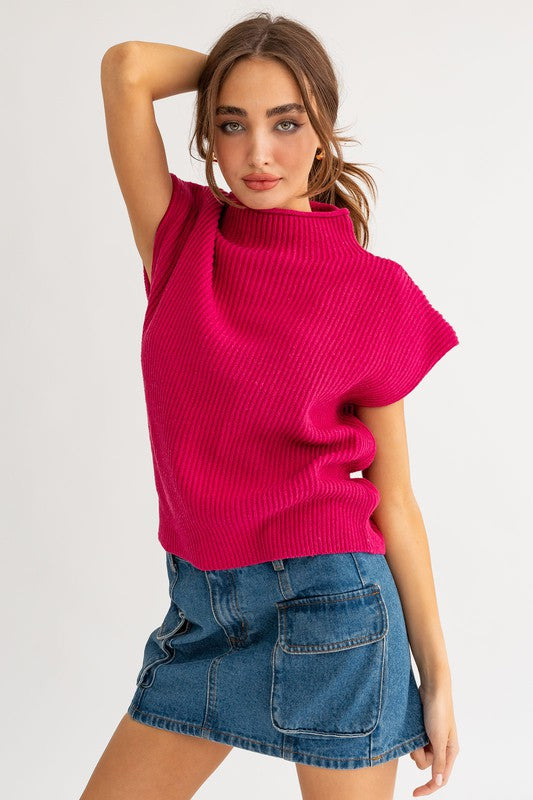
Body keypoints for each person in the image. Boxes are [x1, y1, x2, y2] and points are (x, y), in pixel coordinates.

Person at [85, 12, 460, 800]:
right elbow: (127, 68)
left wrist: (436, 677)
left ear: (322, 129)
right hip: (200, 611)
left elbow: (394, 498)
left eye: (286, 122)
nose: (257, 153)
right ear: (209, 135)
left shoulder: (374, 291)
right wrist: (237, 66)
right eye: (232, 124)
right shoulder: (181, 236)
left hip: (335, 612)